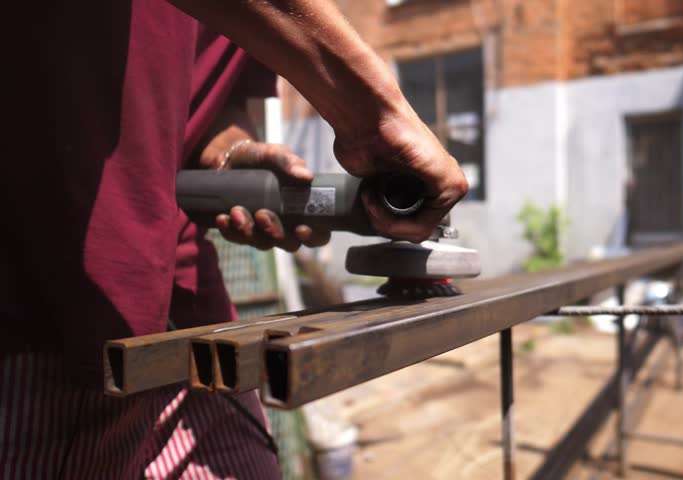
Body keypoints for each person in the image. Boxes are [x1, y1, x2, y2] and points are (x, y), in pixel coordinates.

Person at [1, 0, 467, 477]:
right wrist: (377, 113)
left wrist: (231, 152)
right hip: (39, 322)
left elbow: (206, 99)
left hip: (191, 321)